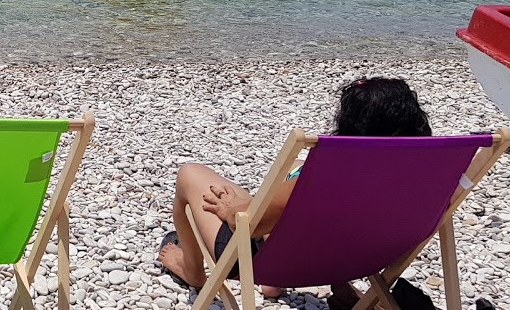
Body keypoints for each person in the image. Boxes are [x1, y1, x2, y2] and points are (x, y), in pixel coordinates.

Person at [155, 77, 433, 291]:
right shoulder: (425, 175)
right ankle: (273, 281)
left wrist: (230, 208)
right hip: (357, 262)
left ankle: (192, 272)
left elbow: (249, 225)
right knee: (294, 172)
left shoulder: (327, 174)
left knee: (189, 173)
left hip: (265, 263)